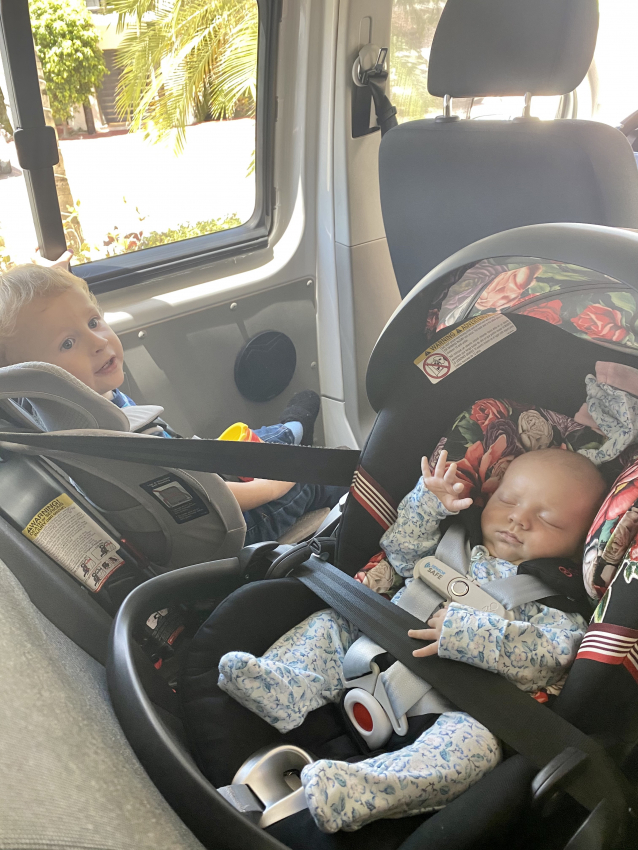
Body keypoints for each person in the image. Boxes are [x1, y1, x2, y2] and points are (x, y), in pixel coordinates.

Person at [216, 448, 607, 832]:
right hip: (367, 650)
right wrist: (428, 502)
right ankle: (285, 686)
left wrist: (470, 635)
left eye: (548, 521)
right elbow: (401, 554)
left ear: (579, 547)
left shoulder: (554, 601)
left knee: (479, 750)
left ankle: (358, 791)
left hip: (450, 709)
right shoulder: (455, 539)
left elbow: (554, 655)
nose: (518, 519)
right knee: (328, 625)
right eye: (507, 500)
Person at [0, 263, 344, 544]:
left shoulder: (43, 418)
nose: (98, 341)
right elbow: (215, 496)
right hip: (240, 523)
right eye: (67, 343)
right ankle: (297, 439)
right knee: (318, 475)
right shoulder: (124, 439)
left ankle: (288, 431)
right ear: (32, 376)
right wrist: (274, 485)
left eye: (93, 321)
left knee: (254, 438)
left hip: (195, 484)